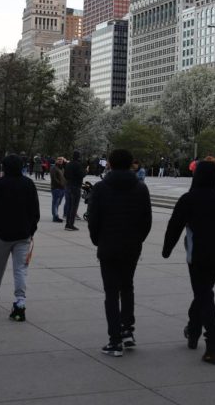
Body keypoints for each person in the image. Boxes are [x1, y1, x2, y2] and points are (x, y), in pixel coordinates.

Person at [163, 160, 215, 365]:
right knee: (203, 293)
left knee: (204, 295)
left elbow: (175, 226)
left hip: (196, 254)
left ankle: (213, 344)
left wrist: (167, 249)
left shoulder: (189, 199)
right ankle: (193, 329)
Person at [87, 149, 152, 357]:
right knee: (127, 287)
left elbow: (93, 219)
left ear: (110, 164)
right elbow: (146, 220)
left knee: (111, 293)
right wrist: (138, 239)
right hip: (131, 245)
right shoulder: (141, 188)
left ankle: (114, 340)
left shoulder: (100, 188)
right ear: (131, 164)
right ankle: (127, 330)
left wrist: (98, 240)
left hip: (108, 245)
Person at [0, 154, 40, 322]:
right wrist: (31, 229)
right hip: (23, 234)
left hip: (1, 234)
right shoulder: (28, 184)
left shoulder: (0, 184)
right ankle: (20, 303)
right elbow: (35, 210)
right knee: (20, 270)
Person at [63, 151, 85, 231]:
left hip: (68, 186)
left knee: (69, 206)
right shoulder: (78, 165)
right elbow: (82, 174)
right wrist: (85, 170)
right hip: (75, 187)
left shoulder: (68, 164)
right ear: (79, 157)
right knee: (74, 207)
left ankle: (67, 224)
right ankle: (70, 225)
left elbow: (65, 175)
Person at [50, 156, 66, 223]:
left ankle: (56, 215)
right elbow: (54, 178)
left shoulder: (62, 168)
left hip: (62, 188)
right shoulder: (54, 168)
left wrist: (64, 184)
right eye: (58, 159)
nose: (60, 160)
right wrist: (60, 184)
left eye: (61, 160)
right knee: (55, 203)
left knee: (58, 203)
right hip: (56, 188)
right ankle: (55, 217)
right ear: (56, 160)